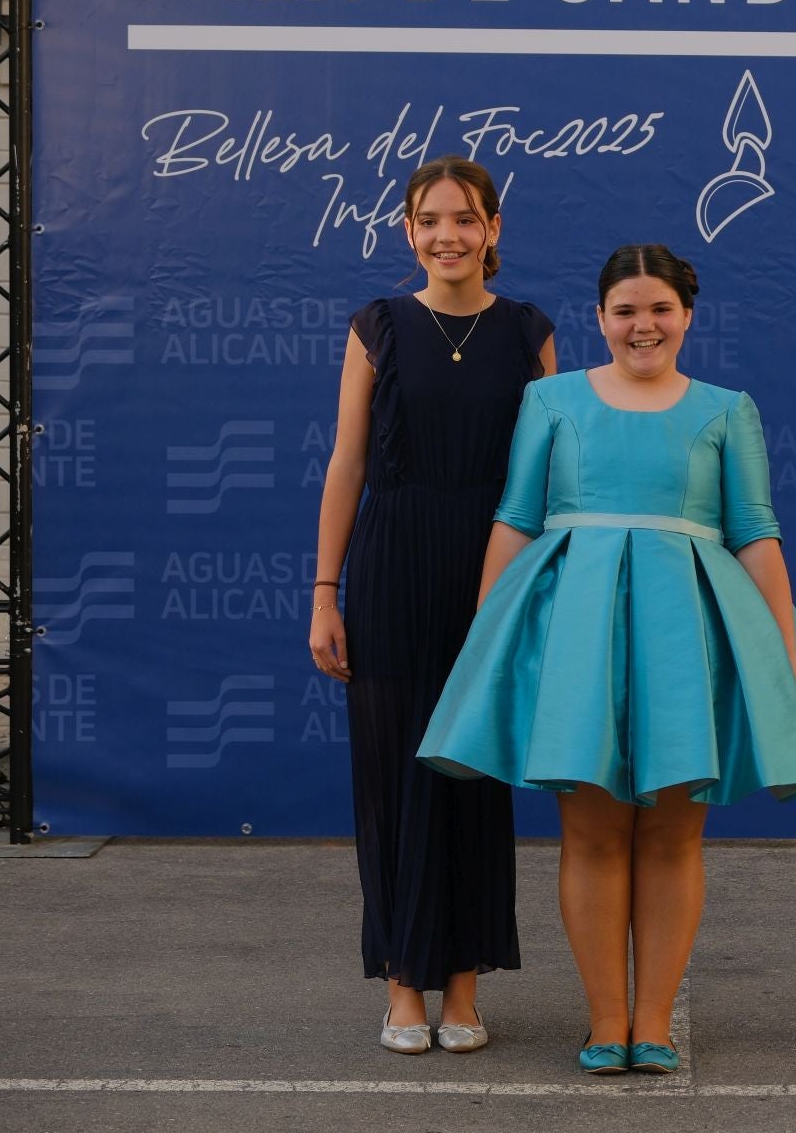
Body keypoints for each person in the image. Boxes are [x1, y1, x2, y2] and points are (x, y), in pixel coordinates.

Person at [417, 243, 796, 1075]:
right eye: (625, 310)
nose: (642, 326)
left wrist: (781, 654)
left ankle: (654, 1024)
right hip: (574, 631)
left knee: (674, 834)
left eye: (659, 309)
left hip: (689, 631)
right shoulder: (550, 399)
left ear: (687, 315)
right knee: (592, 830)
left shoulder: (727, 409)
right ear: (600, 318)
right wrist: (487, 638)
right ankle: (605, 1022)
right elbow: (514, 518)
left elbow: (755, 533)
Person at [308, 156, 556, 1055]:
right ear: (407, 230)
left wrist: (534, 593)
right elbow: (348, 463)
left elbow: (540, 480)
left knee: (474, 778)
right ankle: (403, 984)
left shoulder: (530, 331)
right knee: (392, 776)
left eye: (465, 217)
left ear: (492, 229)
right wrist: (325, 592)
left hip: (491, 570)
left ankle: (463, 988)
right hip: (390, 568)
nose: (447, 233)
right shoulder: (376, 325)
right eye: (429, 218)